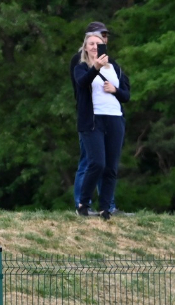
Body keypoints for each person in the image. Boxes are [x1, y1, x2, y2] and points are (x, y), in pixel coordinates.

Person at [72, 28, 130, 220]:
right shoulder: (81, 67)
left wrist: (115, 90)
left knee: (111, 167)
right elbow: (82, 83)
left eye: (98, 44)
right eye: (91, 44)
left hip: (114, 117)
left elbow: (126, 95)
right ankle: (83, 203)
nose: (95, 47)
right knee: (97, 163)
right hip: (93, 120)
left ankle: (106, 208)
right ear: (85, 48)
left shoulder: (114, 68)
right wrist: (95, 67)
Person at [71, 22, 108, 213]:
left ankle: (107, 204)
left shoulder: (106, 61)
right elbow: (81, 85)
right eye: (100, 36)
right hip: (89, 118)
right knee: (88, 161)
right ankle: (81, 203)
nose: (103, 40)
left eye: (104, 37)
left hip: (104, 118)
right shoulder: (79, 60)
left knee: (102, 162)